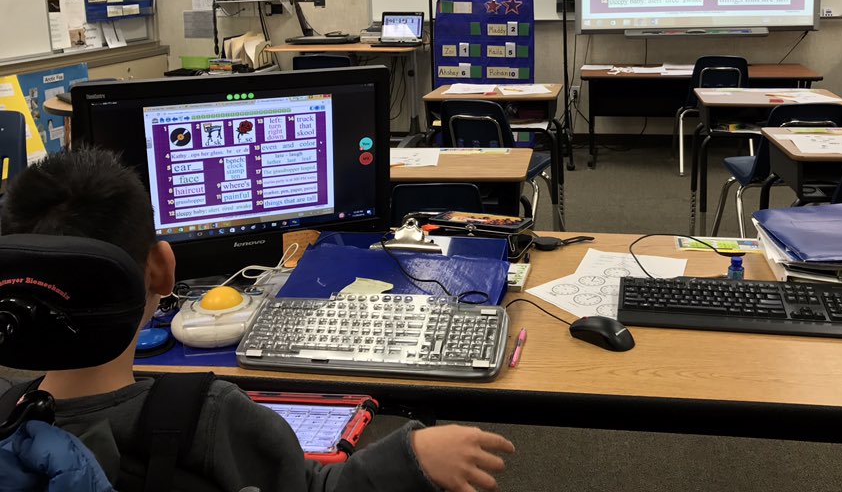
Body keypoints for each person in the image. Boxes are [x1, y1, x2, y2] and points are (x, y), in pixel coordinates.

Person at [0, 147, 515, 492]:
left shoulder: (7, 421)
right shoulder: (208, 415)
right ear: (162, 268)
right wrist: (413, 454)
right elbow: (316, 487)